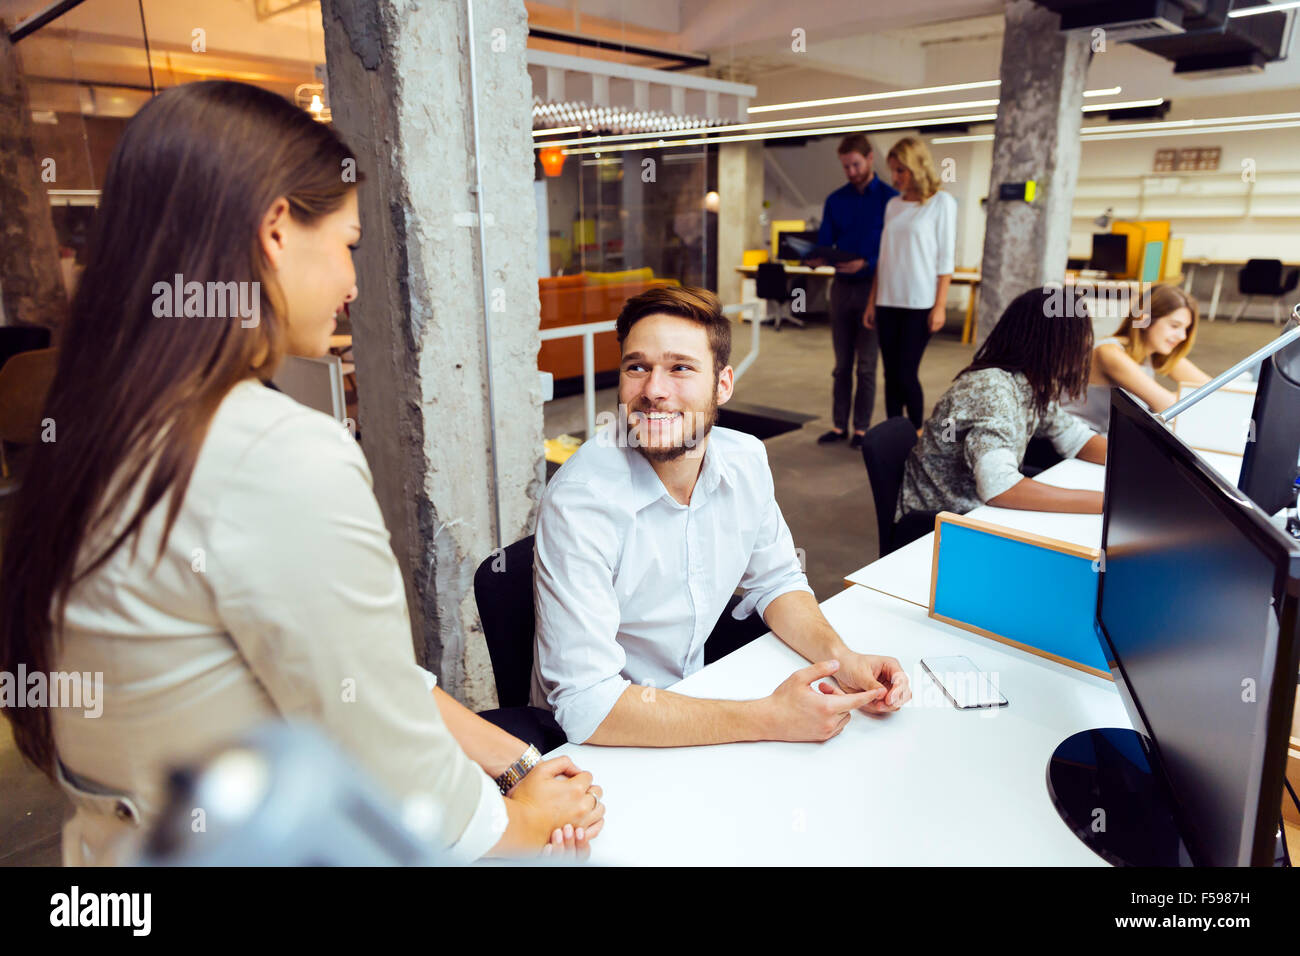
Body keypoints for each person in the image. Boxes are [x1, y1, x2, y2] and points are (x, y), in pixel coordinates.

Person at [0, 81, 602, 865]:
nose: (355, 285)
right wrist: (518, 822)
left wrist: (510, 757)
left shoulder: (92, 424)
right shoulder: (275, 453)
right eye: (349, 242)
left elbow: (345, 668)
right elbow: (396, 764)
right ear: (277, 228)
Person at [531, 285, 911, 747]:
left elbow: (777, 581)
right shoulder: (582, 500)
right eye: (637, 367)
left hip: (696, 696)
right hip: (602, 741)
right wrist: (771, 719)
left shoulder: (745, 460)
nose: (653, 390)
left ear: (723, 384)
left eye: (680, 368)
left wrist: (842, 658)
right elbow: (588, 704)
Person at [898, 286, 1108, 522]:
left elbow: (1076, 438)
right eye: (1078, 338)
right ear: (1049, 343)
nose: (1086, 346)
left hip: (978, 511)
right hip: (941, 522)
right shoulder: (991, 389)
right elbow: (999, 487)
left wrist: (1133, 465)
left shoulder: (1030, 383)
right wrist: (1108, 503)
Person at [809, 133, 898, 449]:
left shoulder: (891, 199)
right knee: (841, 365)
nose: (850, 172)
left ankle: (861, 429)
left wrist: (866, 264)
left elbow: (893, 250)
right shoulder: (836, 200)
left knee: (867, 366)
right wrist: (817, 257)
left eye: (855, 165)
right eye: (845, 166)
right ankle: (838, 426)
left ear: (870, 158)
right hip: (841, 288)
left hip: (874, 289)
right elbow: (825, 240)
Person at [864, 136, 957, 430]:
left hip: (920, 303)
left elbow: (946, 260)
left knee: (906, 372)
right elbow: (884, 257)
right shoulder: (893, 204)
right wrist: (871, 302)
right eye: (893, 170)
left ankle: (917, 433)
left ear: (918, 167)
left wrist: (940, 305)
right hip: (887, 301)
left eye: (901, 170)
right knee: (890, 374)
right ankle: (895, 432)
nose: (895, 177)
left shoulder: (941, 203)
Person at [1063, 284, 1210, 434]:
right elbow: (1169, 406)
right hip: (1073, 444)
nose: (1182, 336)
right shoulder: (1109, 353)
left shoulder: (1155, 352)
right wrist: (1189, 396)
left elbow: (1215, 389)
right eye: (1174, 326)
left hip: (1105, 439)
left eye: (1186, 328)